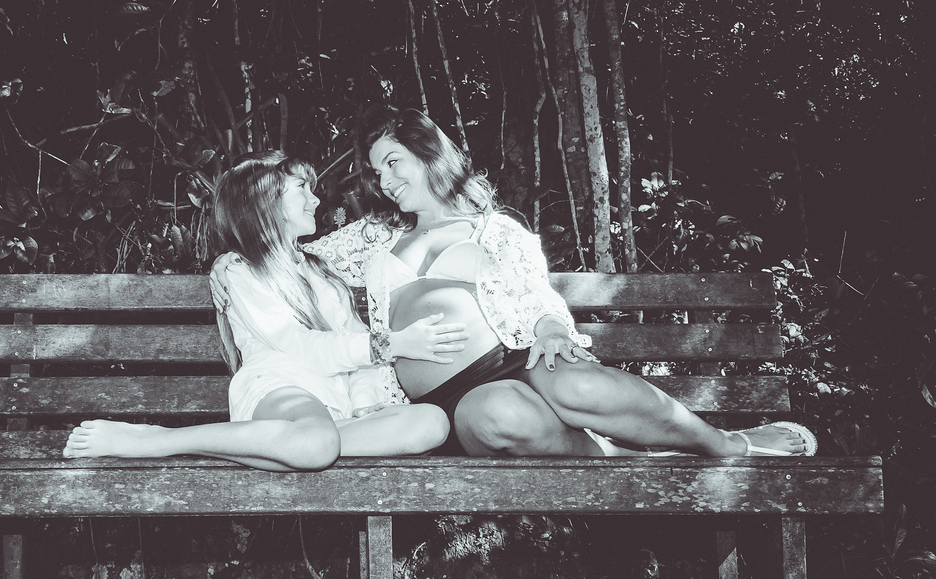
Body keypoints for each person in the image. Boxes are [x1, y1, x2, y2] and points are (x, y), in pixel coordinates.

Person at [304, 106, 817, 458]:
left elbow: (536, 292)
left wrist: (551, 328)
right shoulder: (373, 236)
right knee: (500, 415)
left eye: (393, 162)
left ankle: (725, 443)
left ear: (428, 153)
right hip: (442, 406)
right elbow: (290, 256)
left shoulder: (495, 230)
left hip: (511, 358)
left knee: (577, 383)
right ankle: (622, 453)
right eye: (377, 171)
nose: (385, 181)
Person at [63, 151, 462, 472]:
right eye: (301, 188)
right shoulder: (241, 271)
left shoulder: (322, 269)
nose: (316, 200)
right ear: (264, 200)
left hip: (334, 408)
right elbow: (299, 348)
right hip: (281, 385)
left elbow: (353, 338)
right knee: (317, 441)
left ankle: (286, 447)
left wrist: (366, 400)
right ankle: (161, 440)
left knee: (431, 423)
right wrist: (389, 344)